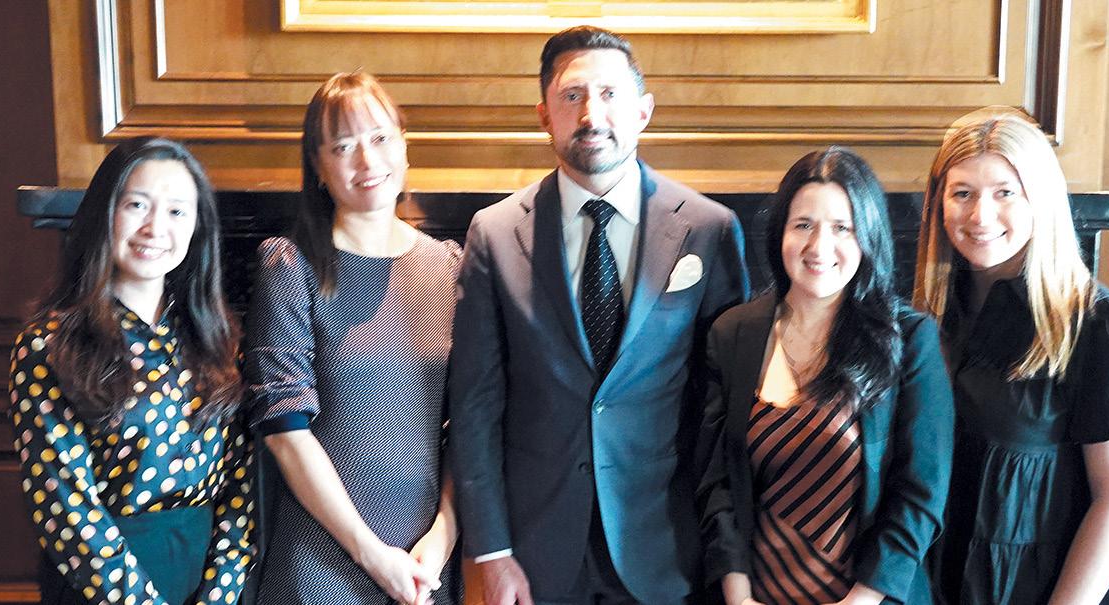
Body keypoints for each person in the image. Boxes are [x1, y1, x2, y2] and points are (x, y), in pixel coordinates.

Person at [448, 25, 750, 605]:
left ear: (643, 111)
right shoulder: (495, 233)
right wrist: (491, 551)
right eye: (572, 96)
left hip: (668, 547)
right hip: (535, 552)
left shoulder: (709, 230)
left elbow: (723, 406)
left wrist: (724, 551)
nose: (591, 115)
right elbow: (475, 404)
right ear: (544, 115)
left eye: (610, 94)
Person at [914, 112, 1109, 604]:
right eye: (962, 193)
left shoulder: (1102, 328)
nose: (980, 215)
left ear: (1041, 200)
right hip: (940, 582)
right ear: (938, 203)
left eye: (1005, 192)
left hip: (1043, 587)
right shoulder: (931, 316)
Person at [697, 147, 954, 605]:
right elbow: (717, 485)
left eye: (842, 228)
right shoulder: (732, 333)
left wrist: (860, 602)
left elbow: (920, 495)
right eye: (803, 225)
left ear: (867, 236)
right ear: (780, 233)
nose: (819, 247)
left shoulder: (910, 339)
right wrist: (739, 597)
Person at [9, 136, 256, 604]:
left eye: (177, 211)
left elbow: (241, 482)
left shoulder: (219, 338)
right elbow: (65, 508)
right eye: (137, 205)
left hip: (204, 579)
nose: (155, 228)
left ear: (197, 228)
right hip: (99, 585)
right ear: (105, 213)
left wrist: (220, 592)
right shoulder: (47, 345)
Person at [245, 72, 461, 605]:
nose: (367, 160)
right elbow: (285, 432)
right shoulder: (290, 266)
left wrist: (443, 536)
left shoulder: (450, 266)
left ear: (405, 147)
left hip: (426, 565)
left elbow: (470, 423)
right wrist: (373, 555)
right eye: (343, 147)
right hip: (320, 564)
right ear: (319, 167)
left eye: (381, 138)